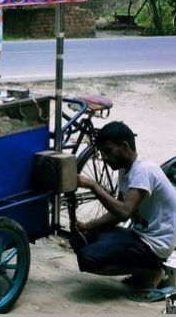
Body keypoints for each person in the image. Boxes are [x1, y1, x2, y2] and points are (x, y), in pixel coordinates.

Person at [74, 121, 176, 302]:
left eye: (108, 151)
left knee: (87, 259)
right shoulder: (125, 170)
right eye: (102, 152)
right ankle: (142, 269)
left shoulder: (144, 171)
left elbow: (124, 212)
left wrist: (93, 185)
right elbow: (116, 213)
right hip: (139, 236)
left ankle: (151, 271)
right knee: (82, 239)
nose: (104, 157)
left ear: (124, 147)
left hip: (154, 246)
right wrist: (87, 226)